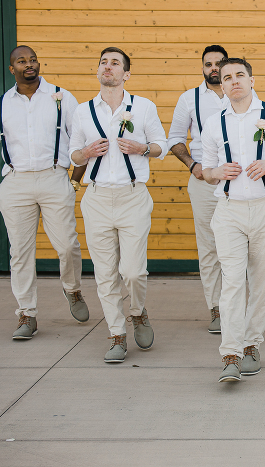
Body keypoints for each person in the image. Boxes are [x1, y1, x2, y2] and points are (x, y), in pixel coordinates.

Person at [202, 57, 265, 383]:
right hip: (229, 210)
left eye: (239, 75)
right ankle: (230, 354)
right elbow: (206, 171)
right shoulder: (214, 123)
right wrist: (217, 172)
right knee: (233, 282)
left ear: (251, 80)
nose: (234, 81)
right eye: (227, 77)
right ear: (221, 85)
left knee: (260, 282)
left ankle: (252, 345)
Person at [69, 47, 168, 363]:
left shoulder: (143, 107)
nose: (107, 67)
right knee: (104, 273)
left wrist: (141, 148)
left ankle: (137, 312)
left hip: (132, 196)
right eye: (103, 62)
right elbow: (73, 154)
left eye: (115, 63)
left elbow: (161, 146)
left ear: (126, 74)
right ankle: (116, 334)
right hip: (97, 197)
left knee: (133, 271)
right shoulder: (83, 111)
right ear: (98, 71)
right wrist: (85, 153)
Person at [0, 45, 88, 340]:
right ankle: (27, 313)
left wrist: (74, 181)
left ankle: (72, 289)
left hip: (54, 177)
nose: (29, 64)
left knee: (67, 246)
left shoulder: (61, 97)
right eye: (21, 61)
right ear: (11, 68)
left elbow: (81, 142)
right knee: (20, 252)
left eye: (33, 59)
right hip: (16, 181)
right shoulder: (3, 103)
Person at [168, 45, 229, 334]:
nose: (214, 68)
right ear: (203, 68)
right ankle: (216, 308)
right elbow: (175, 139)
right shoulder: (189, 98)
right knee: (209, 246)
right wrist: (192, 165)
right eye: (208, 64)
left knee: (242, 245)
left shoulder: (242, 93)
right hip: (204, 181)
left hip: (239, 182)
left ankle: (237, 305)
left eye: (219, 63)